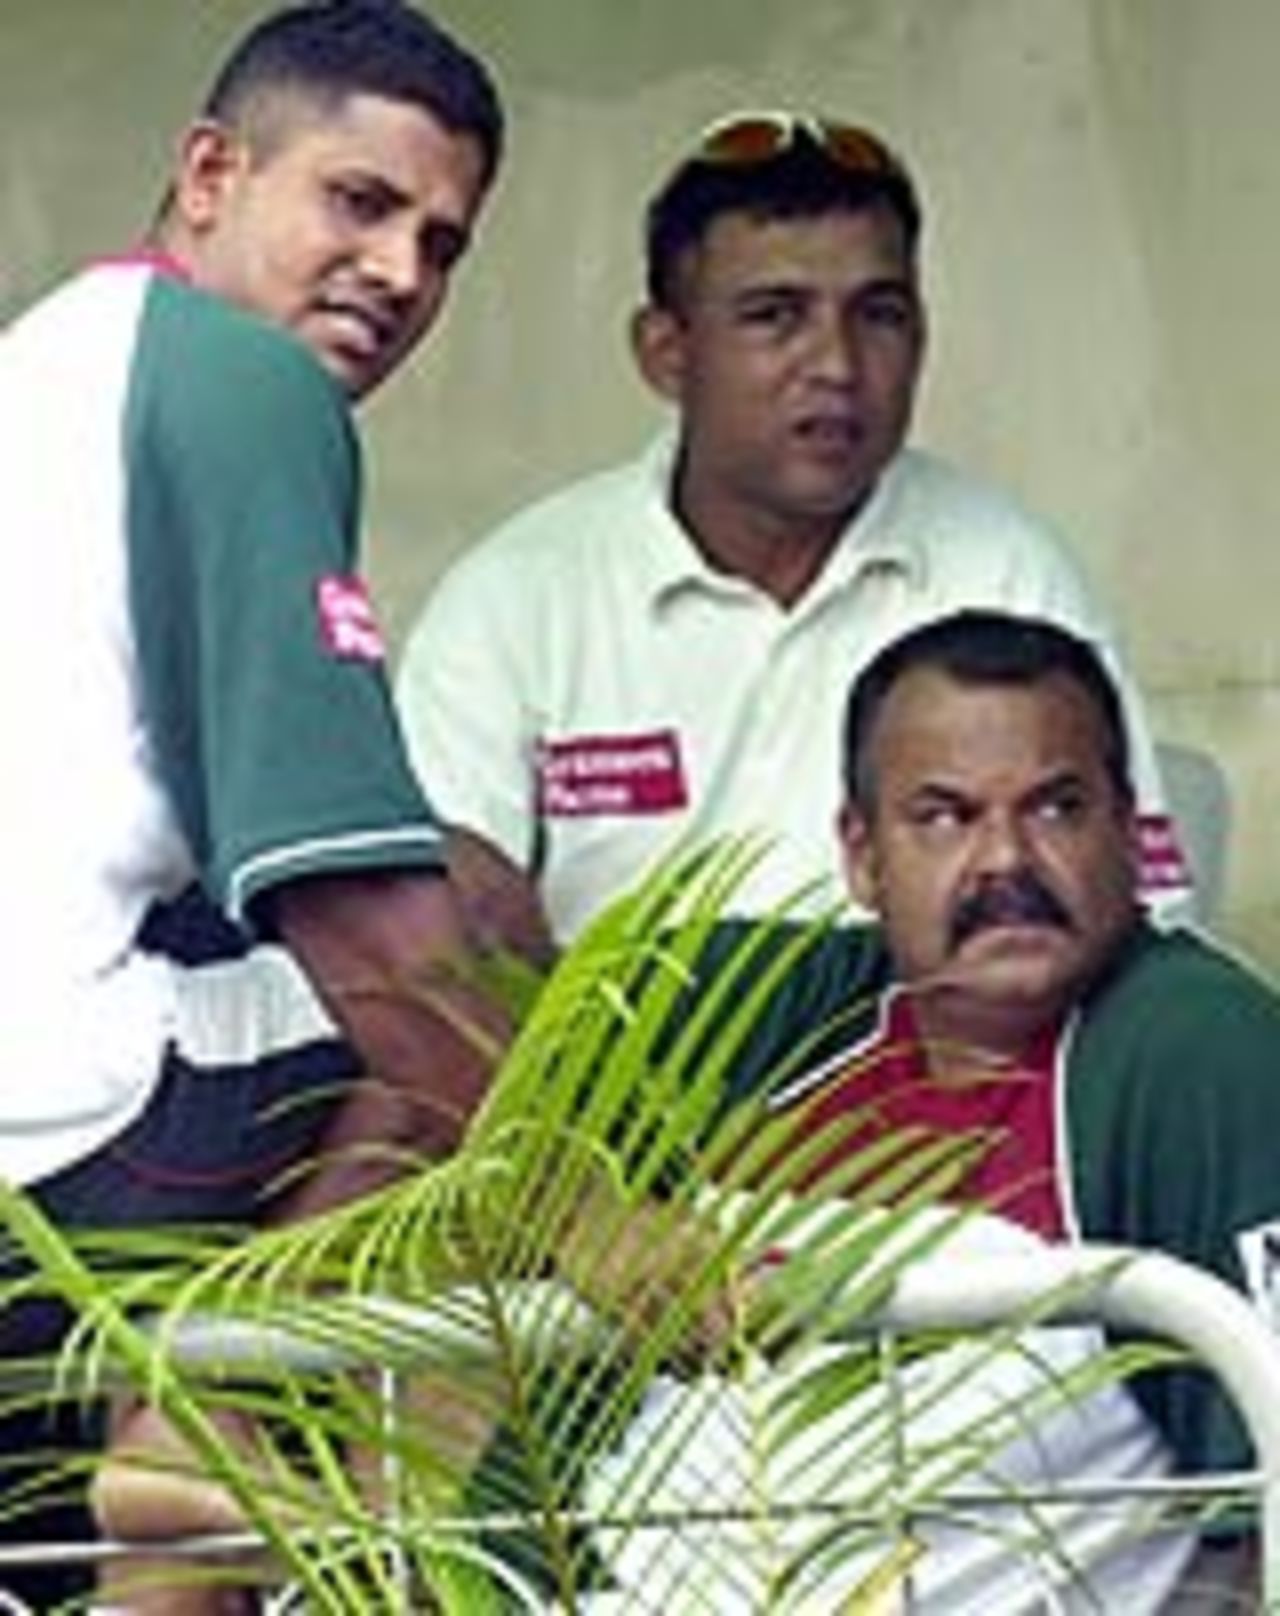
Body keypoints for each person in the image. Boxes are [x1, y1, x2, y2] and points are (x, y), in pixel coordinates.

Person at [0, 0, 516, 1594]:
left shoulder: (47, 360)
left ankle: (180, 1511)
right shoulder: (233, 382)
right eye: (358, 204)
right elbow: (362, 908)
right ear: (211, 173)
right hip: (80, 1130)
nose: (400, 274)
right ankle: (217, 1432)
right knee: (480, 913)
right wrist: (592, 1203)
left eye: (442, 242)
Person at [582, 609, 1277, 1611]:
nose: (1003, 860)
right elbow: (477, 1160)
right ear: (862, 855)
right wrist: (589, 1223)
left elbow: (1261, 1527)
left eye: (1054, 808)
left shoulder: (1192, 1048)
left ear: (1128, 832)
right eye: (943, 816)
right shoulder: (759, 1006)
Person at [396, 111, 1192, 950]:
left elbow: (1149, 921)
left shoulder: (1007, 574)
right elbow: (436, 949)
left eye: (878, 315)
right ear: (666, 352)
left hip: (944, 1075)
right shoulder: (520, 597)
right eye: (776, 316)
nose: (838, 366)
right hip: (612, 1080)